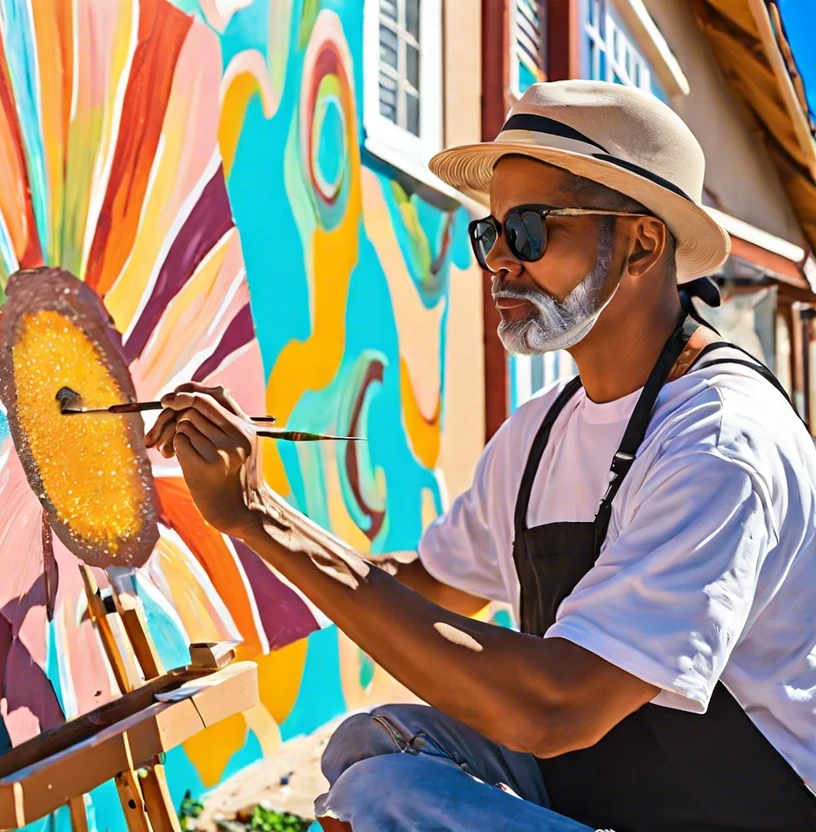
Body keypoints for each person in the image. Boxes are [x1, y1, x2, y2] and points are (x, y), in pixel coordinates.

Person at [144, 80, 816, 831]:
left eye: (528, 230)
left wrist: (262, 518)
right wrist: (235, 540)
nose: (497, 261)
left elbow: (553, 709)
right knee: (375, 742)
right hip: (604, 786)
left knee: (383, 797)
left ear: (642, 243)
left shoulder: (720, 442)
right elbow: (429, 594)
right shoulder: (541, 434)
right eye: (487, 233)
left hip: (741, 812)